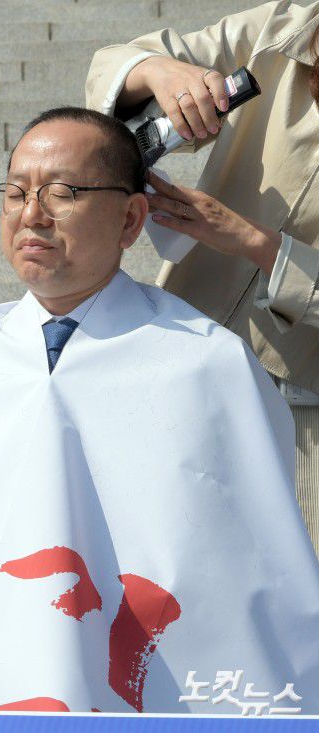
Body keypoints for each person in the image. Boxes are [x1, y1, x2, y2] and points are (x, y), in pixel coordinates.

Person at [0, 108, 317, 715]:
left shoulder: (207, 364)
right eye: (15, 193)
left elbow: (248, 565)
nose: (32, 214)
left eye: (62, 193)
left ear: (131, 218)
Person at [86, 0, 319, 555]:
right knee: (159, 554)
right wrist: (158, 73)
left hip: (305, 401)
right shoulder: (281, 28)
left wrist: (253, 241)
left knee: (291, 578)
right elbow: (112, 67)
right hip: (190, 348)